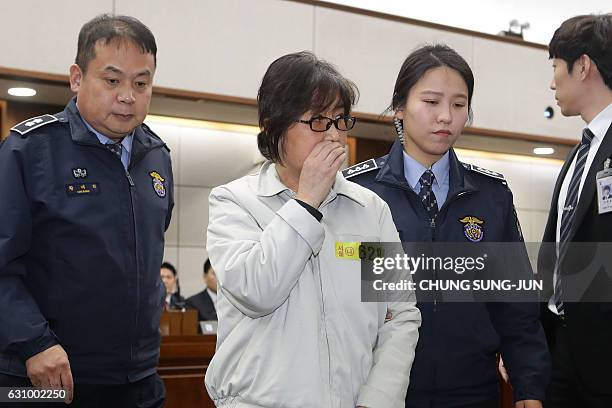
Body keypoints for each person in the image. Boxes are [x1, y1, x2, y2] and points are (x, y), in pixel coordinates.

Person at [205, 51, 421, 408]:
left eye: (339, 120)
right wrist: (306, 202)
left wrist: (379, 398)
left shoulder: (369, 210)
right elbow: (257, 292)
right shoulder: (234, 202)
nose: (334, 134)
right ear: (275, 126)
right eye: (318, 121)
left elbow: (399, 313)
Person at [344, 44, 550, 408]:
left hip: (472, 390)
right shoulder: (357, 191)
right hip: (378, 390)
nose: (446, 117)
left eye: (458, 105)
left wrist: (529, 387)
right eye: (431, 102)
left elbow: (516, 305)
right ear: (399, 107)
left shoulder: (491, 196)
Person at [0, 14, 173, 407]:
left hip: (138, 378)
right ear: (77, 78)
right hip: (43, 376)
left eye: (141, 83)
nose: (127, 95)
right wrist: (34, 343)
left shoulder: (157, 158)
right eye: (112, 81)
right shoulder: (29, 151)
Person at [538, 13, 612, 407]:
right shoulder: (579, 154)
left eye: (555, 67)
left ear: (582, 65)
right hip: (558, 348)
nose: (552, 82)